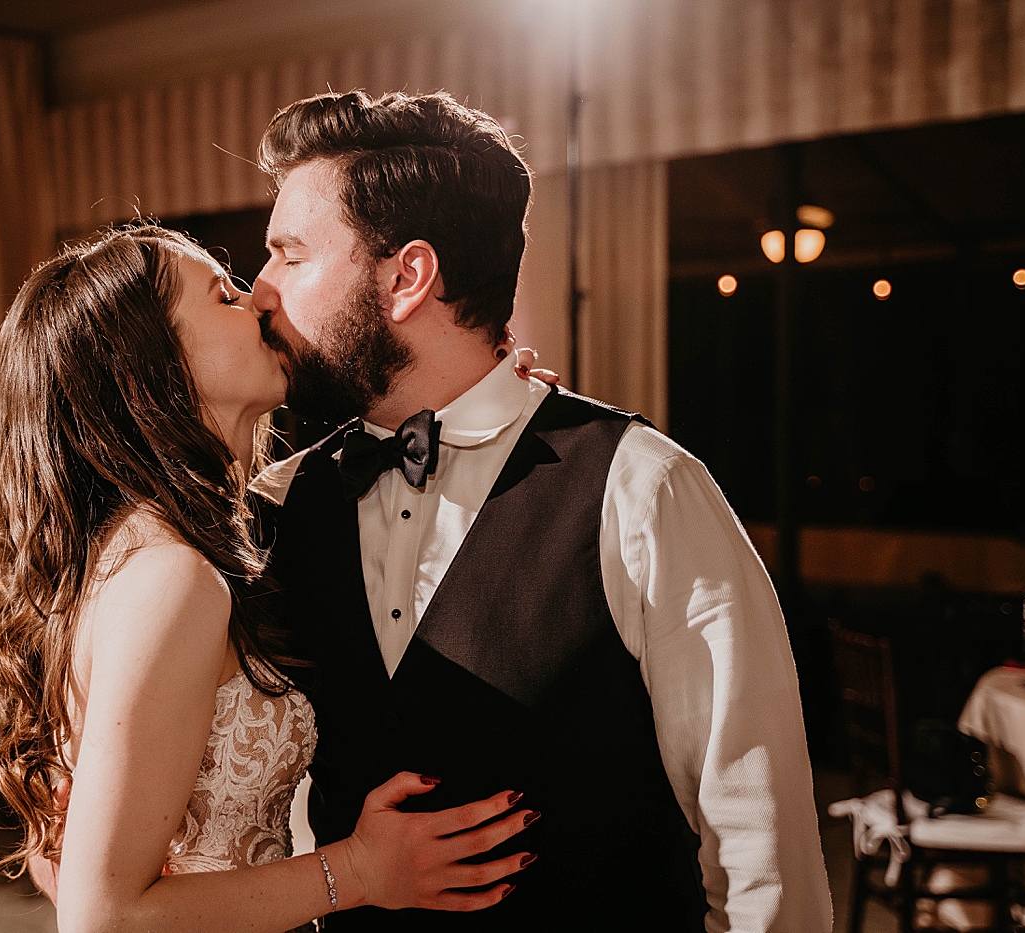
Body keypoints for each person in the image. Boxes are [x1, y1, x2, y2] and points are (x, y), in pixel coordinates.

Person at [248, 91, 834, 931]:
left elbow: (761, 850)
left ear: (408, 277)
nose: (260, 289)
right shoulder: (275, 506)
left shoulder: (643, 490)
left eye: (291, 256)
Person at [0, 225, 539, 933]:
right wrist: (357, 871)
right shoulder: (170, 576)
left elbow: (69, 852)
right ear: (155, 359)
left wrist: (484, 407)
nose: (262, 298)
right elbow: (100, 915)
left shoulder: (157, 541)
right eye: (224, 292)